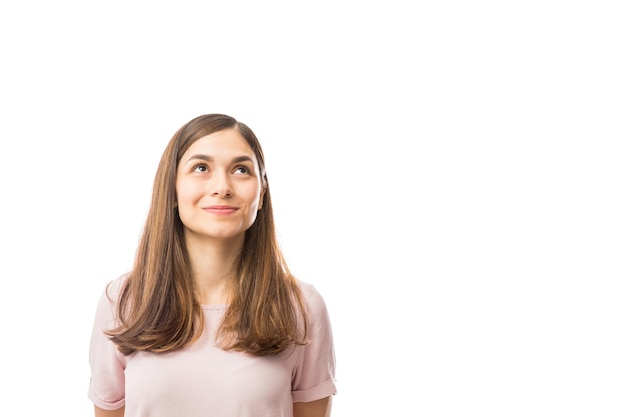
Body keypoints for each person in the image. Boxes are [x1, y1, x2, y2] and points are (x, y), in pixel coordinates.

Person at [87, 113, 337, 417]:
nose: (222, 187)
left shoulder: (302, 306)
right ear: (173, 189)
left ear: (261, 194)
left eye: (241, 170)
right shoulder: (122, 301)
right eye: (201, 168)